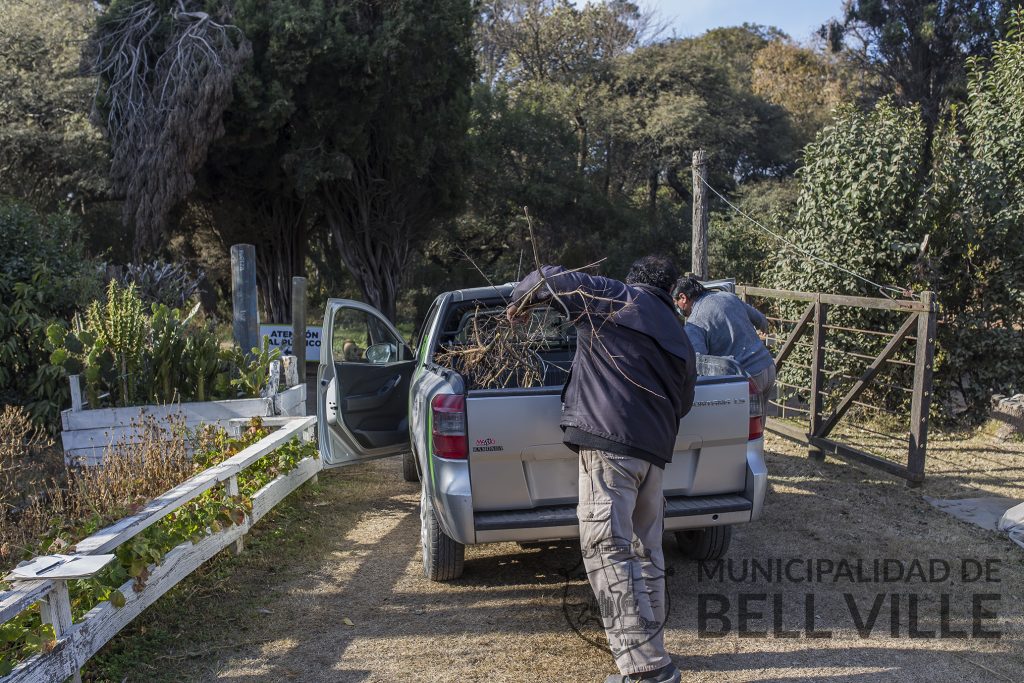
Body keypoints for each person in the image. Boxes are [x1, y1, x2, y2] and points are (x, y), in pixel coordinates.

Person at [507, 256, 696, 683]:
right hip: (653, 456)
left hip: (610, 449)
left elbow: (545, 277)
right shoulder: (680, 338)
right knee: (647, 552)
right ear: (670, 292)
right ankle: (653, 651)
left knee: (607, 550)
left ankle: (646, 668)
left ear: (634, 281)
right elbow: (683, 403)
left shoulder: (614, 297)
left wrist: (518, 303)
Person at [673, 275, 775, 417]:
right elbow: (762, 321)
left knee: (745, 433)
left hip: (746, 378)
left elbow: (698, 363)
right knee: (756, 430)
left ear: (683, 298)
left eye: (675, 302)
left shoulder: (694, 323)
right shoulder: (728, 296)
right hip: (767, 367)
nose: (677, 308)